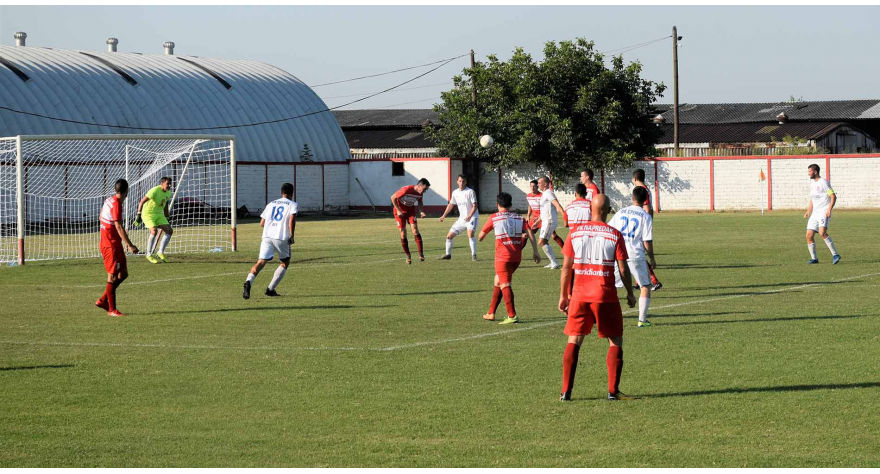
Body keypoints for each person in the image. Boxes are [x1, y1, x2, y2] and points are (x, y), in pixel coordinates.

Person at [559, 194, 637, 402]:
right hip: (605, 296)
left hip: (579, 295)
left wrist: (563, 296)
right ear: (608, 210)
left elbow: (566, 268)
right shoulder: (614, 234)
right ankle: (613, 391)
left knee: (574, 339)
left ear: (590, 209)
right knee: (615, 340)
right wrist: (629, 293)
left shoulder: (575, 232)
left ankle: (566, 391)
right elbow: (622, 268)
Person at [479, 192, 540, 324]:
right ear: (511, 204)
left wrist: (482, 237)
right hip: (516, 257)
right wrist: (535, 251)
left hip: (503, 257)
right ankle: (491, 313)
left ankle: (512, 315)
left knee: (505, 284)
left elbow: (481, 236)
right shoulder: (519, 218)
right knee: (498, 281)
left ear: (497, 204)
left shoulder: (494, 218)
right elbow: (530, 232)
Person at [609, 187, 657, 327]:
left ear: (632, 197)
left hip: (619, 254)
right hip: (635, 254)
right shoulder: (645, 216)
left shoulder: (621, 212)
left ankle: (608, 316)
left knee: (611, 286)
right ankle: (642, 320)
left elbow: (610, 230)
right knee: (645, 285)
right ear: (645, 200)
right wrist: (652, 258)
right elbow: (647, 241)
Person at [243, 183, 297, 299]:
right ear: (292, 193)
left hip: (267, 236)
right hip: (281, 237)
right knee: (285, 262)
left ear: (281, 192)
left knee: (261, 262)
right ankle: (270, 289)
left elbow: (262, 223)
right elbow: (292, 219)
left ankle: (248, 281)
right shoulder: (292, 204)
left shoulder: (271, 203)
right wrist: (292, 235)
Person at [96, 179, 139, 317]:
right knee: (113, 277)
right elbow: (119, 226)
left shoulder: (109, 200)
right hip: (110, 245)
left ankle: (103, 300)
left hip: (114, 243)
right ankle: (112, 310)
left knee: (123, 274)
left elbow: (100, 217)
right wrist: (130, 245)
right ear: (127, 191)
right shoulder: (116, 205)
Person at [631, 169, 662, 291]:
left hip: (640, 226)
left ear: (634, 179)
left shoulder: (642, 190)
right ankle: (639, 281)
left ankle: (654, 281)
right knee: (637, 254)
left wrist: (646, 223)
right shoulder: (643, 190)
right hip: (639, 224)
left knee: (638, 254)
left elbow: (647, 208)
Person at [804, 164, 841, 264]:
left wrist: (829, 209)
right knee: (809, 235)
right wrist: (808, 211)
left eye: (810, 171)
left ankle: (835, 255)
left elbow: (833, 196)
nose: (808, 173)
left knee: (822, 233)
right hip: (815, 214)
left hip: (823, 212)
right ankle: (814, 258)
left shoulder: (823, 182)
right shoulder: (812, 183)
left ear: (815, 172)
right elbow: (812, 198)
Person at [438, 175, 479, 261]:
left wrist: (469, 216)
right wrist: (443, 215)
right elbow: (451, 204)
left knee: (470, 234)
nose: (461, 183)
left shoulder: (470, 192)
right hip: (462, 219)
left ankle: (474, 255)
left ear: (466, 182)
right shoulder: (455, 193)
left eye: (463, 181)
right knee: (449, 236)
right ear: (457, 182)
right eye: (460, 181)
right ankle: (448, 255)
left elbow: (475, 206)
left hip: (472, 218)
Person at [135, 177, 174, 264]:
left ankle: (160, 252)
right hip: (148, 214)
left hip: (159, 214)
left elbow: (165, 205)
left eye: (170, 183)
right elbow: (141, 202)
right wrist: (138, 215)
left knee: (169, 231)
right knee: (154, 231)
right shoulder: (154, 190)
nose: (170, 185)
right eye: (168, 184)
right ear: (162, 184)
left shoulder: (169, 192)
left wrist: (167, 217)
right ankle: (148, 254)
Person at [391, 178, 430, 264]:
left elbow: (420, 202)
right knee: (403, 232)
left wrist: (421, 211)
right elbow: (393, 197)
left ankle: (421, 254)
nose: (424, 192)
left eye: (426, 190)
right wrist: (398, 210)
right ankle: (408, 255)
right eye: (424, 189)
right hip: (399, 212)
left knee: (415, 230)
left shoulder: (420, 193)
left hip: (410, 211)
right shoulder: (406, 189)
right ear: (419, 186)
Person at [537, 176, 567, 269]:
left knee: (541, 242)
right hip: (545, 221)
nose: (538, 184)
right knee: (543, 242)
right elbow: (544, 211)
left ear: (545, 184)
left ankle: (554, 262)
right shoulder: (544, 194)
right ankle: (553, 262)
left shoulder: (549, 193)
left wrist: (565, 216)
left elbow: (557, 204)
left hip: (550, 221)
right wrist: (537, 221)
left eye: (539, 183)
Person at [524, 179, 544, 263]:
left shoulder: (542, 195)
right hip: (534, 219)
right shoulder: (528, 196)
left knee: (553, 236)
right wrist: (528, 216)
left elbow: (545, 207)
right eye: (531, 186)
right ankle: (518, 251)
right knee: (527, 234)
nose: (532, 188)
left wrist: (540, 216)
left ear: (537, 187)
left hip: (543, 218)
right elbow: (530, 206)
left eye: (534, 186)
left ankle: (564, 250)